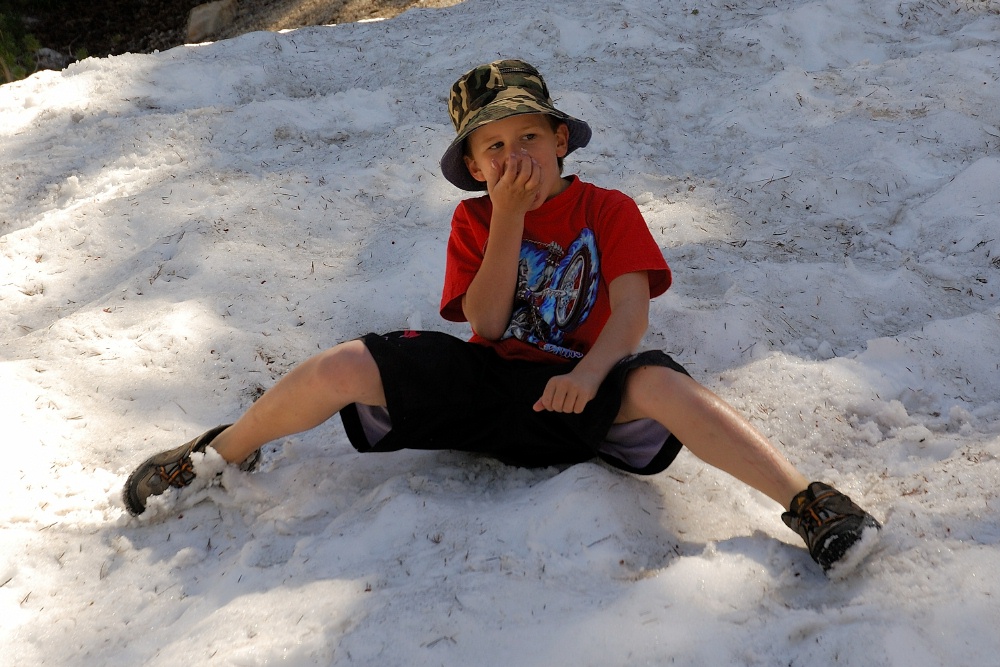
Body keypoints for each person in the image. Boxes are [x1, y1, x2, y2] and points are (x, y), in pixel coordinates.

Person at [123, 59, 880, 575]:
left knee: (665, 387)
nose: (514, 156)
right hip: (488, 388)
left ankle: (810, 503)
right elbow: (483, 326)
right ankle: (220, 452)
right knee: (344, 365)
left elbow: (630, 316)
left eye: (527, 138)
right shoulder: (476, 221)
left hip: (583, 395)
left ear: (560, 140)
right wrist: (509, 220)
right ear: (476, 167)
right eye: (494, 148)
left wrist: (587, 375)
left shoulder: (606, 209)